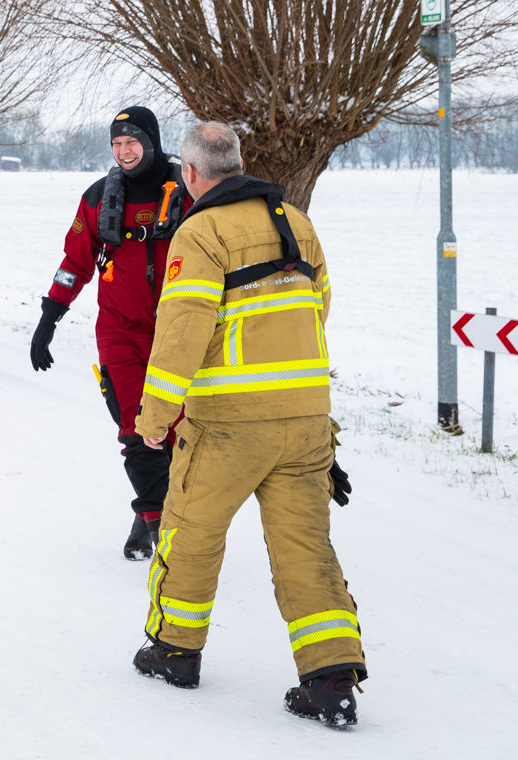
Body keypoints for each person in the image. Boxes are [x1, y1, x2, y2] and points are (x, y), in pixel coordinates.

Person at [129, 123, 365, 729]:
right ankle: (331, 680)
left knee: (190, 532)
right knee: (305, 545)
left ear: (189, 173)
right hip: (307, 420)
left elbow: (181, 333)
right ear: (237, 162)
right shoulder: (298, 223)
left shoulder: (200, 233)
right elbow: (319, 306)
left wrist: (153, 419)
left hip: (228, 423)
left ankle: (174, 651)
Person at [30, 106, 190, 559]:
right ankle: (163, 534)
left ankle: (148, 513)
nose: (124, 151)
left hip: (179, 331)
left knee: (176, 431)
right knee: (135, 429)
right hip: (120, 330)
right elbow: (75, 261)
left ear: (152, 141)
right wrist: (49, 317)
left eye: (132, 142)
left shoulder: (190, 190)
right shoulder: (100, 196)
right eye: (117, 144)